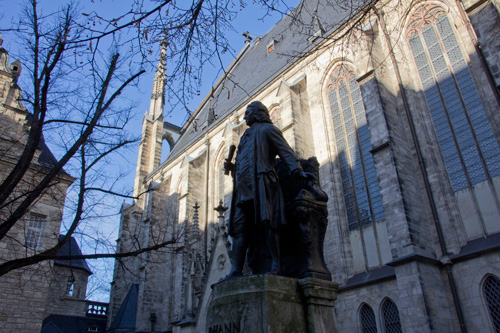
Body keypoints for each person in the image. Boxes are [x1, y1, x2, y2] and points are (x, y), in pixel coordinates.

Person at [224, 101, 313, 278]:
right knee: (239, 229)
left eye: (248, 112)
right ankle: (235, 270)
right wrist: (232, 167)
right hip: (242, 191)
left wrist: (298, 171)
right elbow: (244, 162)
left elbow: (285, 151)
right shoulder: (245, 137)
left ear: (258, 113)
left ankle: (276, 265)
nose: (244, 117)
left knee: (269, 223)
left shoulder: (267, 129)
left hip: (262, 184)